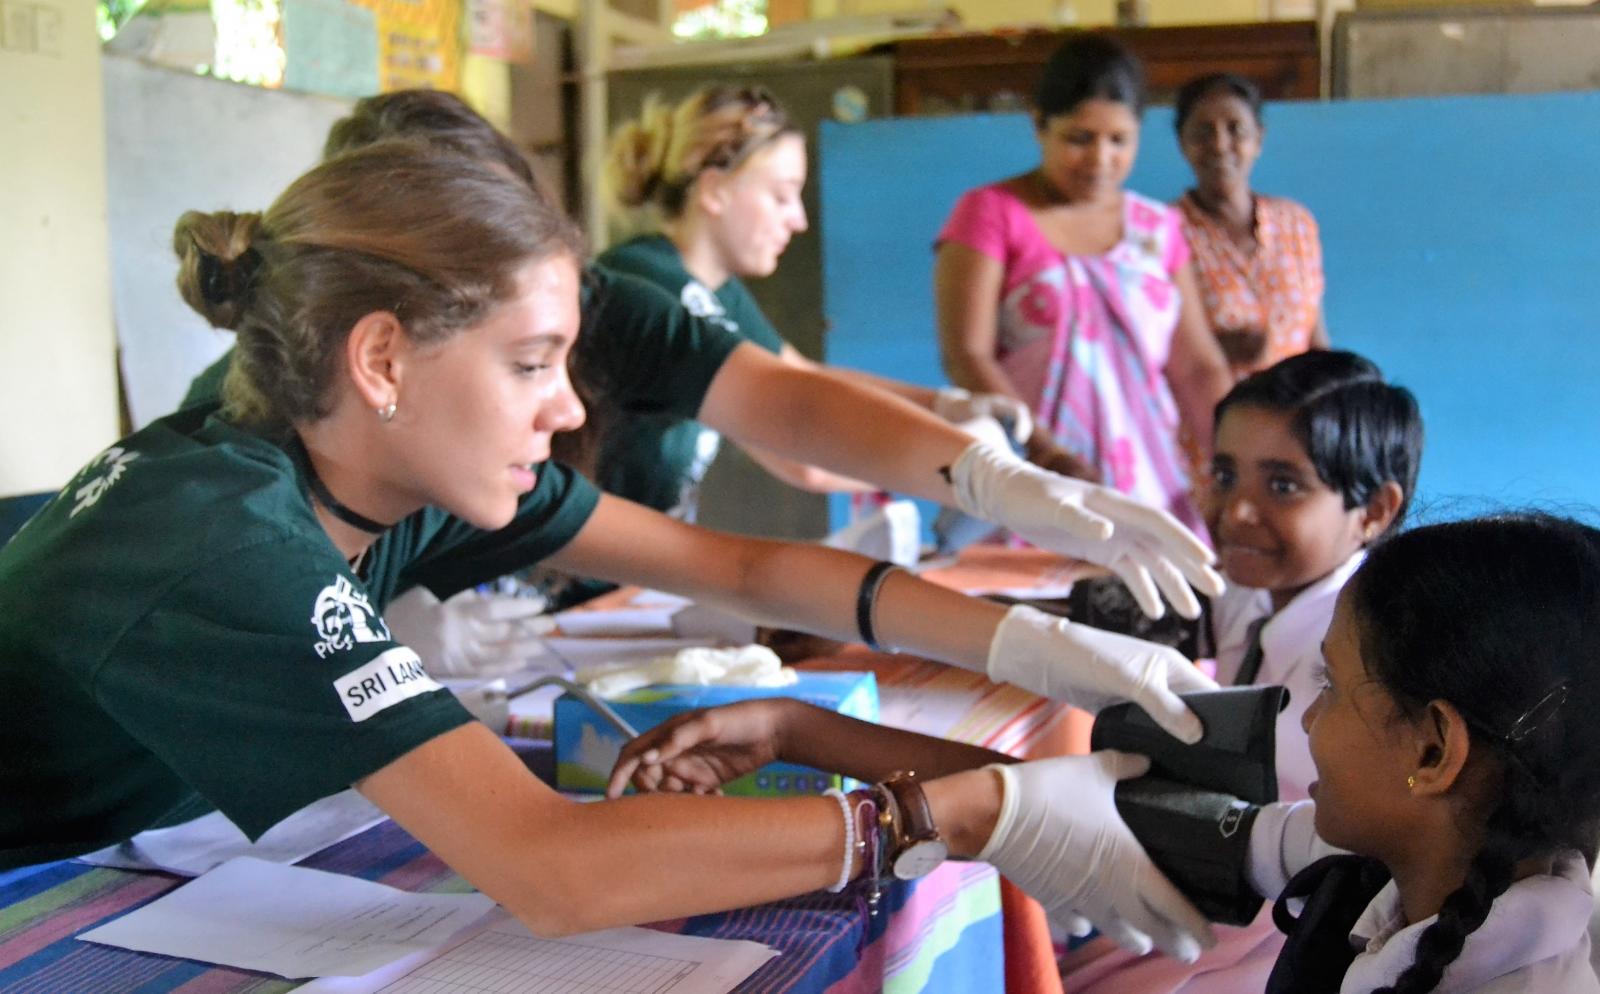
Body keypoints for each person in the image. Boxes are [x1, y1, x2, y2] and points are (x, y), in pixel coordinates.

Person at [0, 142, 1219, 956]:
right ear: (381, 361)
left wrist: (1032, 643)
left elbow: (737, 567)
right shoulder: (221, 533)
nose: (571, 409)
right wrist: (952, 811)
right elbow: (552, 867)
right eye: (531, 364)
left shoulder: (390, 473)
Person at [185, 89, 1222, 628]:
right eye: (528, 364)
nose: (558, 410)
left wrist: (994, 475)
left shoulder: (546, 461)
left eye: (558, 363)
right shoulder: (244, 458)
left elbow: (787, 432)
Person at [634, 513, 1600, 992]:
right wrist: (794, 729)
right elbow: (1093, 811)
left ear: (1432, 753)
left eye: (1337, 692)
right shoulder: (1386, 863)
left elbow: (1018, 808)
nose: (1304, 720)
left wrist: (937, 818)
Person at [1060, 349, 1424, 993]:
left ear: (1375, 511)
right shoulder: (1252, 592)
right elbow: (1091, 613)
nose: (1238, 512)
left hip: (1283, 917)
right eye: (1224, 475)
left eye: (1282, 486)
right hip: (1217, 875)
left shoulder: (1364, 660)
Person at [601, 84, 1099, 519]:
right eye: (781, 195)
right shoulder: (657, 285)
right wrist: (959, 467)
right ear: (714, 191)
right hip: (576, 586)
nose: (798, 219)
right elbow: (803, 448)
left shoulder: (712, 290)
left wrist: (944, 406)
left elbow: (804, 380)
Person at [1251, 513, 1600, 992]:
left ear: (1433, 752)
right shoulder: (1434, 862)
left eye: (1330, 685)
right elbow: (1270, 839)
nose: (1310, 718)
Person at [934, 35, 1233, 535]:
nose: (1100, 159)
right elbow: (967, 353)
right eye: (1079, 138)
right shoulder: (991, 214)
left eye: (1119, 140)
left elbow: (1197, 367)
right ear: (1039, 125)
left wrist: (1235, 471)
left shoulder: (1157, 229)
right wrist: (1042, 452)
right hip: (1028, 482)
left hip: (1149, 486)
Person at [1174, 73, 1329, 380]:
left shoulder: (1297, 224)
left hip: (1294, 420)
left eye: (1236, 130)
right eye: (1203, 132)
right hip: (1209, 421)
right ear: (1182, 142)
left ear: (1258, 139)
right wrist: (1216, 347)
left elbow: (1314, 337)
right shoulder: (1160, 233)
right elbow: (1142, 351)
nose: (1219, 145)